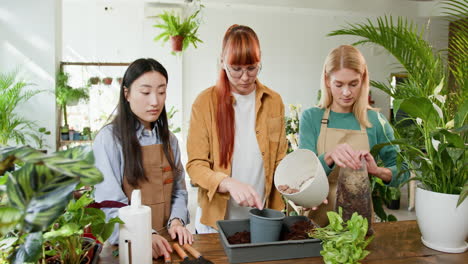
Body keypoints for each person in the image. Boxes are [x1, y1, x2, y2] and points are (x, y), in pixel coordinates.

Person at [186, 24, 288, 233]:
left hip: (262, 219)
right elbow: (196, 166)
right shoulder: (205, 103)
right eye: (236, 69)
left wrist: (303, 191)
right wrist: (228, 183)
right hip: (215, 224)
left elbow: (280, 160)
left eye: (252, 68)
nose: (244, 77)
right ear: (223, 62)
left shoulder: (273, 101)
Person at [93, 58, 193, 260]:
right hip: (128, 246)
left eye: (162, 92)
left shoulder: (169, 140)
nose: (155, 101)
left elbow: (179, 191)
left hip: (168, 245)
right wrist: (145, 235)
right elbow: (109, 204)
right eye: (146, 92)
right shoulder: (109, 139)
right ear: (127, 93)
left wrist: (176, 221)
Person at [299, 45, 408, 226]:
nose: (346, 92)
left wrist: (377, 171)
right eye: (339, 84)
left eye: (353, 83)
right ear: (327, 80)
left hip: (359, 225)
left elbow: (403, 171)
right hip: (317, 221)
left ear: (363, 79)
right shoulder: (312, 118)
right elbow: (302, 174)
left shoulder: (376, 121)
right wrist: (329, 156)